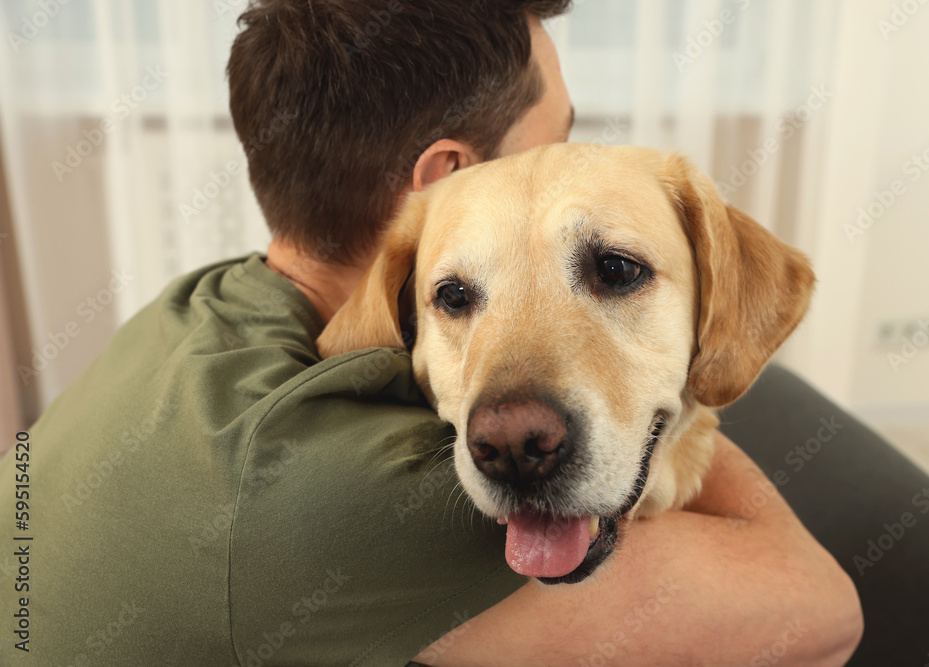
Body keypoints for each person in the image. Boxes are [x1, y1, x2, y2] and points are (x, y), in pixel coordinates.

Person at [0, 1, 863, 665]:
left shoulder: (216, 305)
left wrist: (693, 370)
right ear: (461, 178)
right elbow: (823, 614)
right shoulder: (335, 489)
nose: (566, 161)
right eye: (554, 141)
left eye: (614, 272)